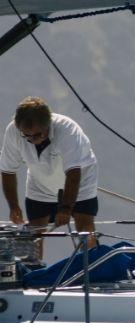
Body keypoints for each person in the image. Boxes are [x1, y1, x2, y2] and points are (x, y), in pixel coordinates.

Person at [0, 97, 99, 255]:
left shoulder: (67, 130)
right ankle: (35, 273)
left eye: (37, 135)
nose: (32, 141)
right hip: (40, 184)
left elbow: (73, 173)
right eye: (27, 136)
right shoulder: (14, 131)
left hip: (80, 182)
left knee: (85, 230)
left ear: (48, 125)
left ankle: (91, 267)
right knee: (35, 233)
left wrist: (66, 209)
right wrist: (13, 206)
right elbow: (7, 170)